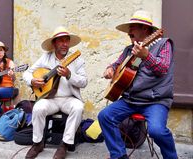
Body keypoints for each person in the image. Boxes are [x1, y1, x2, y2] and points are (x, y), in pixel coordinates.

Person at [98, 10, 178, 159]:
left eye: (133, 27)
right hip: (130, 100)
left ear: (145, 29)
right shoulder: (129, 49)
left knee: (156, 131)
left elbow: (163, 69)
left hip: (155, 101)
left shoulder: (163, 44)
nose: (129, 31)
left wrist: (146, 56)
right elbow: (116, 64)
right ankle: (119, 155)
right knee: (104, 116)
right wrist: (110, 69)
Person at [23, 26, 87, 159]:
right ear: (54, 43)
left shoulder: (77, 59)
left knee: (78, 107)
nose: (64, 44)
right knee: (38, 108)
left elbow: (84, 82)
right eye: (61, 41)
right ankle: (37, 143)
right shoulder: (45, 57)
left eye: (67, 41)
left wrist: (69, 74)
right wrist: (33, 81)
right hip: (50, 99)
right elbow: (27, 73)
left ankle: (64, 145)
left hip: (69, 98)